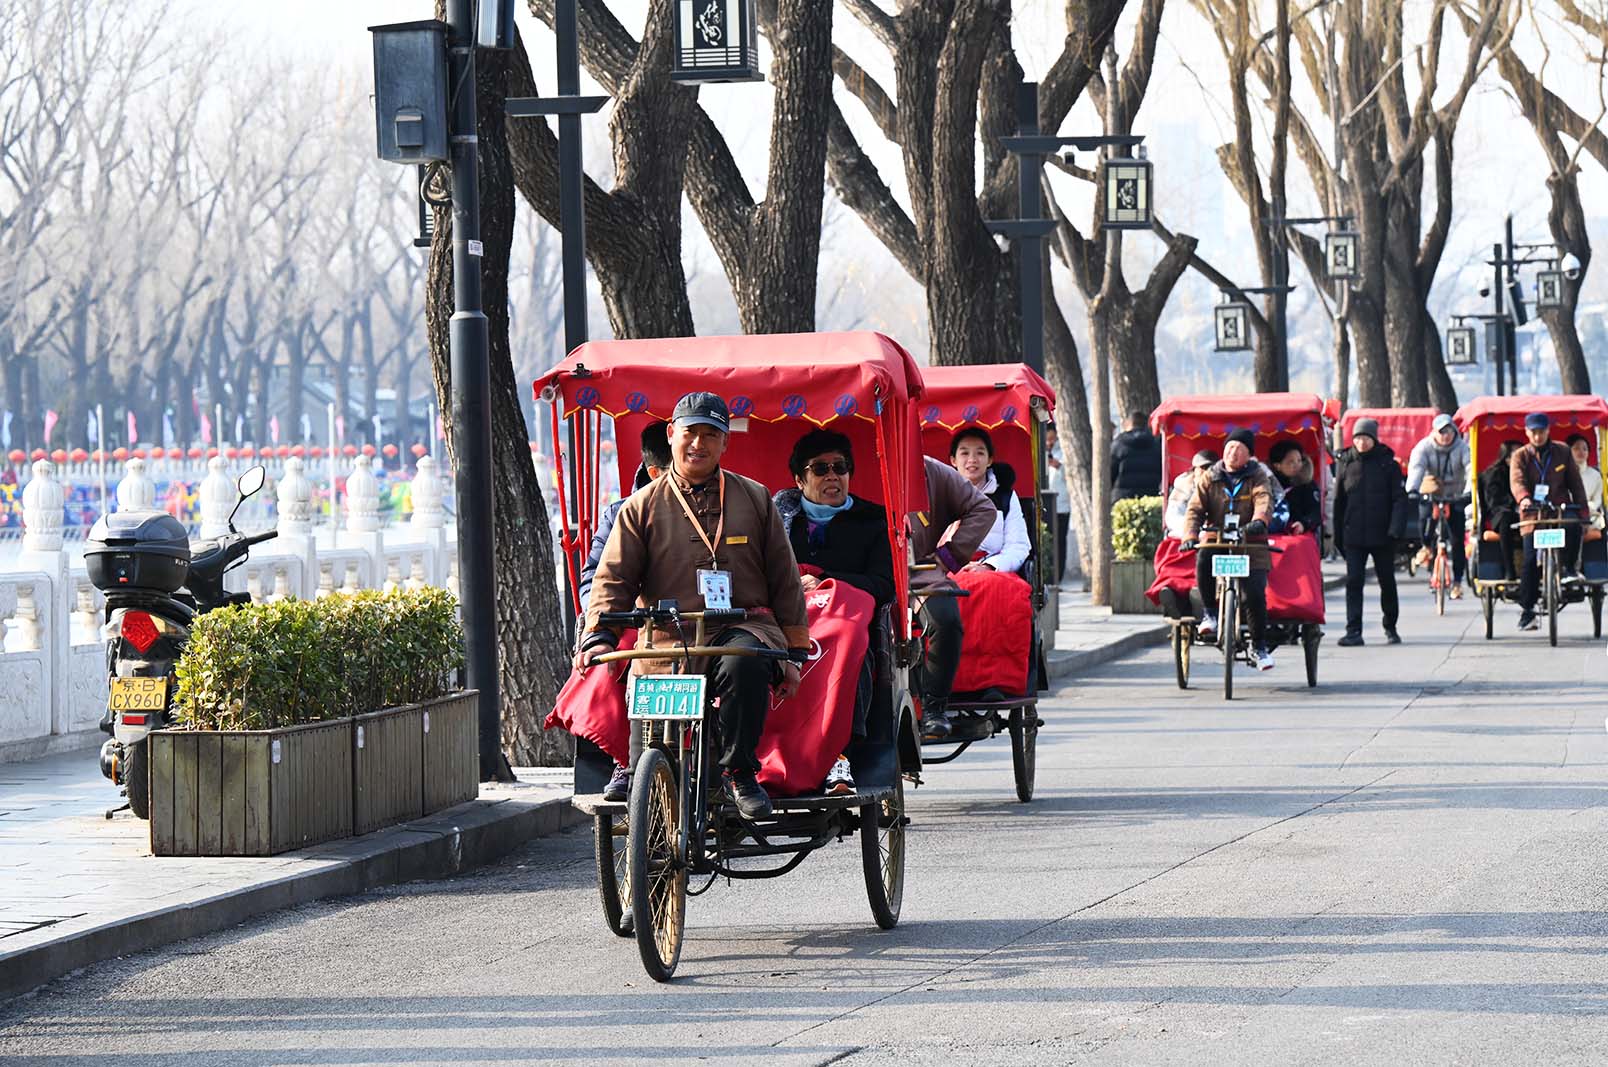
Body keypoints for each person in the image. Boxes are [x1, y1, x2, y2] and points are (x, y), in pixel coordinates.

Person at [577, 392, 809, 821]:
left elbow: (785, 577)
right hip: (668, 635)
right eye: (689, 434)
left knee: (745, 662)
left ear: (725, 443)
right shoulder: (640, 507)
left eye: (710, 435)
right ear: (671, 436)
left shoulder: (755, 498)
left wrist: (794, 651)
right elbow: (613, 577)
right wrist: (599, 634)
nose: (698, 445)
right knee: (644, 689)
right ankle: (640, 775)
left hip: (742, 627)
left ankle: (739, 771)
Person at [774, 429, 896, 795]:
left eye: (840, 468)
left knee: (849, 647)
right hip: (790, 618)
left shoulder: (873, 520)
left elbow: (883, 584)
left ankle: (839, 755)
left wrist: (826, 580)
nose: (832, 476)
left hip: (848, 620)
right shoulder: (779, 522)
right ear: (800, 480)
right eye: (820, 469)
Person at [909, 456, 996, 740]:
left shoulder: (931, 470)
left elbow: (983, 509)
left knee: (946, 620)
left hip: (919, 573)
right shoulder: (847, 464)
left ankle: (934, 707)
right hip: (866, 570)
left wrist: (948, 557)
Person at [1182, 429, 1276, 671]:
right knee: (1203, 558)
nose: (1233, 453)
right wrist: (1191, 535)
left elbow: (1263, 499)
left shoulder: (1257, 476)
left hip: (1250, 542)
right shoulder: (1210, 476)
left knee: (1254, 593)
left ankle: (1259, 646)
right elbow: (1194, 509)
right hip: (1218, 538)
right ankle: (1210, 614)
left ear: (1249, 455)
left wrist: (1259, 520)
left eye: (1239, 449)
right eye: (1230, 447)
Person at [1510, 412, 1591, 631]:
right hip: (1533, 515)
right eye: (1533, 432)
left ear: (1548, 431)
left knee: (1573, 524)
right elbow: (1517, 481)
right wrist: (1524, 498)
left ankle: (1568, 569)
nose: (1538, 436)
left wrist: (1583, 511)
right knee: (1529, 562)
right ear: (1527, 433)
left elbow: (1576, 484)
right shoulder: (1520, 456)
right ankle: (1528, 611)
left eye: (1541, 432)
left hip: (1559, 511)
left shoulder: (1563, 452)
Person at [578, 421, 671, 609]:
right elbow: (594, 581)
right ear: (654, 473)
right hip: (637, 621)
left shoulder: (714, 508)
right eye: (677, 471)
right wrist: (604, 617)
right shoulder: (619, 515)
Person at [1333, 417, 1406, 646]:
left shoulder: (1388, 464)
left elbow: (1399, 500)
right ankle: (1353, 630)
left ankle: (1390, 626)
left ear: (1374, 439)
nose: (1361, 443)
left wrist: (1395, 530)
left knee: (1387, 581)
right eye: (1357, 438)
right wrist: (1337, 536)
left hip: (1382, 534)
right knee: (1354, 581)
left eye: (1366, 438)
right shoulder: (1345, 463)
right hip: (1353, 535)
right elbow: (1338, 502)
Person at [949, 427, 1031, 574]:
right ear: (953, 460)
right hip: (947, 569)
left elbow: (1018, 546)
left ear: (989, 460)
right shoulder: (939, 495)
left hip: (993, 571)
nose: (972, 460)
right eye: (964, 453)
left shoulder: (1005, 497)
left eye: (980, 453)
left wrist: (989, 566)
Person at [1406, 413, 1470, 597]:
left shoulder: (1462, 447)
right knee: (1425, 520)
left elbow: (1469, 467)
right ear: (1434, 432)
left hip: (1456, 495)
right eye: (1441, 432)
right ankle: (1426, 546)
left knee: (1457, 540)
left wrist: (1468, 492)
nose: (1446, 435)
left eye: (1449, 431)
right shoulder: (1424, 447)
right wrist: (1413, 489)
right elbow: (1416, 468)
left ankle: (1457, 582)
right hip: (1432, 493)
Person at [1478, 439, 1523, 579]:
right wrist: (1514, 505)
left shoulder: (1528, 472)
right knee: (1506, 521)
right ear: (1507, 457)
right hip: (1501, 513)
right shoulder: (1493, 474)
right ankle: (1510, 569)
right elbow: (1494, 501)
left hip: (1527, 511)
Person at [1268, 440, 1321, 537]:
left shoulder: (1307, 484)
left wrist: (1303, 524)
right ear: (1277, 466)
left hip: (1301, 532)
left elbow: (1316, 512)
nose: (1296, 465)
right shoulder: (1268, 485)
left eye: (1299, 460)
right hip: (1272, 532)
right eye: (1290, 461)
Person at [1110, 412, 1164, 502]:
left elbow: (1111, 472)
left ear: (1127, 424)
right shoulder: (1156, 444)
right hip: (1149, 497)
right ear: (1146, 424)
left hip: (1122, 499)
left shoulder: (1118, 444)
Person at [1164, 450, 1217, 540]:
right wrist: (1195, 533)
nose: (1207, 471)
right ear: (1194, 470)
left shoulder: (1220, 487)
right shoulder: (1183, 488)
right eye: (1203, 467)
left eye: (1211, 468)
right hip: (1185, 536)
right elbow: (1173, 519)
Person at [1045, 426, 1073, 583]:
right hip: (1045, 505)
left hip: (1062, 506)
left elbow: (1073, 476)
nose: (1049, 443)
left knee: (1060, 542)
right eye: (1047, 439)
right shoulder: (1039, 452)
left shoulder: (1064, 452)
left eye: (1052, 439)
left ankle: (1058, 577)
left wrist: (1059, 466)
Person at [1567, 434, 1605, 533]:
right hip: (1566, 515)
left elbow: (1597, 500)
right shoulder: (1562, 473)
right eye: (1576, 448)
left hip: (1590, 514)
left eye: (1585, 449)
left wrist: (1586, 507)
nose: (1581, 452)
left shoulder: (1595, 475)